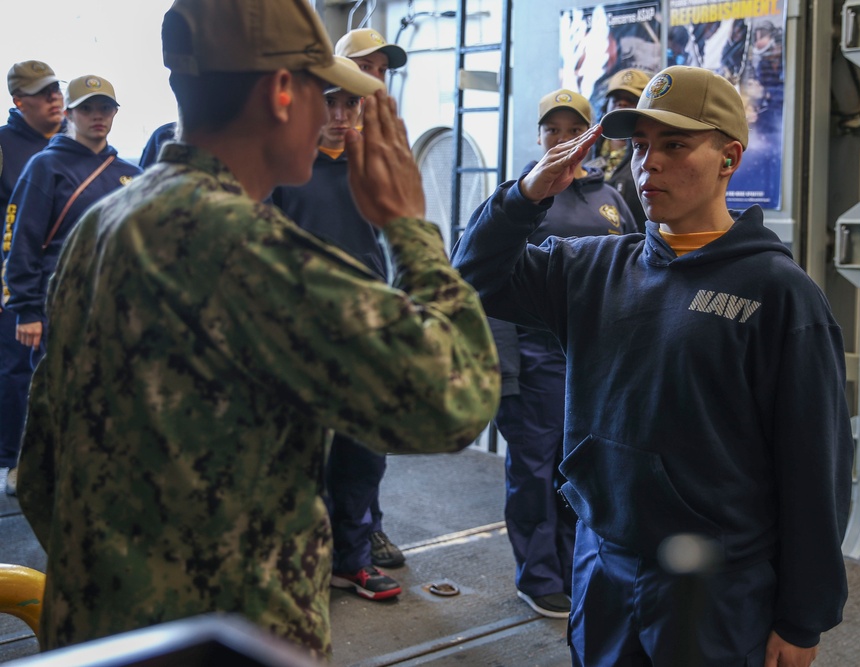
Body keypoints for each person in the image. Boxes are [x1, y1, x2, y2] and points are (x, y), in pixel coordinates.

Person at [17, 0, 499, 656]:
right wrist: (407, 225)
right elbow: (456, 398)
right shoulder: (247, 250)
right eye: (320, 92)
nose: (338, 117)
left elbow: (40, 473)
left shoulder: (103, 226)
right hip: (229, 644)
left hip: (102, 637)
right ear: (280, 91)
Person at [453, 66, 852, 666]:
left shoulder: (778, 294)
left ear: (729, 158)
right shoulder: (592, 269)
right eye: (640, 147)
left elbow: (815, 467)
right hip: (603, 565)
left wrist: (803, 619)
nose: (649, 164)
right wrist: (525, 194)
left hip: (716, 587)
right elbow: (470, 279)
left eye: (675, 145)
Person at [493, 88, 635, 620]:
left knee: (582, 471)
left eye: (572, 129)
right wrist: (505, 373)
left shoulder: (611, 198)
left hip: (594, 363)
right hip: (536, 364)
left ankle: (576, 567)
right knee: (533, 471)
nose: (562, 138)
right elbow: (489, 280)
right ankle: (538, 575)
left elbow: (634, 272)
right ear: (539, 137)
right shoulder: (523, 196)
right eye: (551, 129)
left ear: (589, 133)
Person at [270, 56, 401, 600]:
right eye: (331, 102)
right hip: (299, 338)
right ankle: (299, 564)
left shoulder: (372, 166)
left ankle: (353, 558)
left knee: (361, 454)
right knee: (298, 457)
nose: (342, 114)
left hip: (365, 334)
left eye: (350, 104)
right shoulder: (284, 168)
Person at [326, 24, 410, 574]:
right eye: (365, 68)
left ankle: (364, 534)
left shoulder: (381, 151)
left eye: (381, 70)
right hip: (308, 325)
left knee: (364, 442)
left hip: (367, 320)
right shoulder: (295, 159)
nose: (375, 79)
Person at [5, 74, 141, 367]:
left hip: (119, 306)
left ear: (115, 112)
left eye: (105, 108)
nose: (97, 116)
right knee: (55, 397)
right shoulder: (46, 166)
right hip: (59, 305)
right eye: (86, 108)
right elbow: (22, 240)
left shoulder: (133, 175)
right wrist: (27, 311)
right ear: (68, 114)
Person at [0, 60, 65, 496]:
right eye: (43, 93)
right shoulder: (5, 145)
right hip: (14, 283)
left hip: (63, 285)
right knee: (17, 372)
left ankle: (57, 456)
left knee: (59, 372)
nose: (54, 98)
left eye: (57, 90)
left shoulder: (73, 145)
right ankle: (13, 461)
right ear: (18, 101)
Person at [586, 68, 650, 225]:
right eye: (616, 99)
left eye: (630, 99)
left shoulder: (650, 156)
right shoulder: (587, 149)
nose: (622, 103)